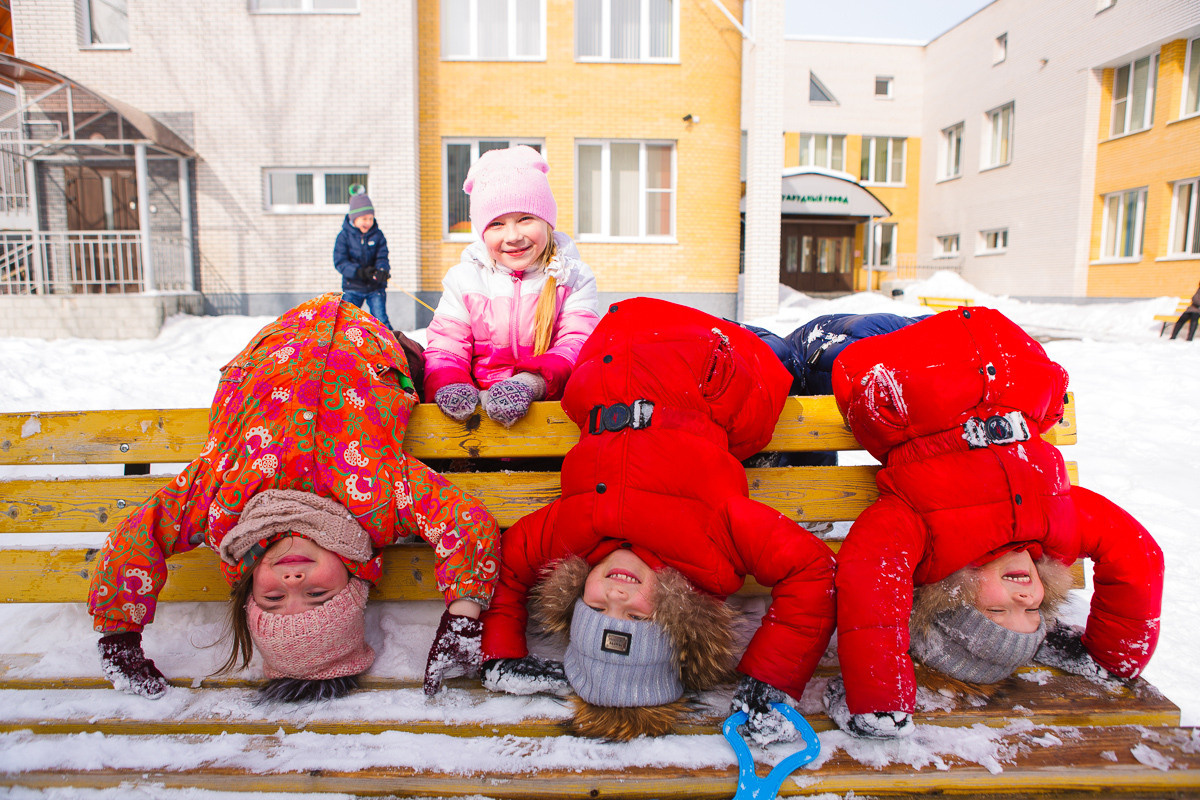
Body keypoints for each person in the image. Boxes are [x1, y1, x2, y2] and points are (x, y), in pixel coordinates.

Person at [89, 293, 501, 702]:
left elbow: (137, 536)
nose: (293, 582)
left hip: (274, 347)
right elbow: (466, 522)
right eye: (316, 596)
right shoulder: (384, 501)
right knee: (422, 365)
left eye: (273, 598)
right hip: (367, 346)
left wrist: (119, 636)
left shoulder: (218, 502)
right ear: (352, 585)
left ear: (251, 590)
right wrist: (462, 620)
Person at [479, 298, 838, 743]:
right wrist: (771, 682)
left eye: (597, 607)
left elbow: (509, 568)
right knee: (820, 350)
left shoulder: (567, 540)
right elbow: (810, 568)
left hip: (610, 350)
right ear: (677, 618)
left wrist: (501, 653)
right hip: (706, 355)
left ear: (574, 602)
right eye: (636, 616)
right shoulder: (712, 545)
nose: (616, 593)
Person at [822, 306, 1164, 738]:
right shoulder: (1056, 528)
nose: (1024, 595)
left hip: (913, 375)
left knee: (843, 353)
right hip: (1009, 367)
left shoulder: (921, 532)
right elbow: (1137, 552)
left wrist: (879, 702)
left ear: (950, 595)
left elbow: (870, 577)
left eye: (997, 609)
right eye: (1035, 608)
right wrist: (1112, 657)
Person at [424, 145, 599, 428]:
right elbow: (447, 345)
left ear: (547, 221)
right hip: (475, 424)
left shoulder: (572, 278)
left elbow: (576, 344)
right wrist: (451, 384)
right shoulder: (465, 279)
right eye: (496, 224)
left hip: (550, 419)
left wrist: (532, 383)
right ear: (482, 232)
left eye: (525, 218)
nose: (513, 236)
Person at [334, 187, 392, 329]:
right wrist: (359, 272)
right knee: (346, 321)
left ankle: (392, 347)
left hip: (375, 287)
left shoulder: (377, 235)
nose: (368, 222)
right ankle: (343, 348)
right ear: (354, 218)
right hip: (353, 286)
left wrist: (382, 270)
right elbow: (340, 262)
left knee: (381, 320)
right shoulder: (344, 236)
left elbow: (382, 257)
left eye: (371, 218)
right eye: (364, 218)